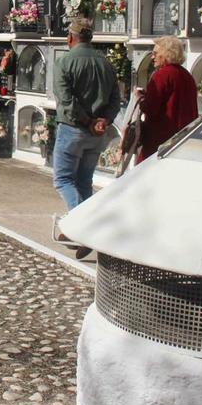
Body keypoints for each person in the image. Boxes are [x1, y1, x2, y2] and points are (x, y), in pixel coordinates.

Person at [53, 17, 120, 257]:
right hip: (97, 134)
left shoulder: (65, 62)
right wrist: (104, 120)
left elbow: (66, 100)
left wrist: (87, 121)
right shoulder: (106, 63)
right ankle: (77, 231)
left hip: (74, 129)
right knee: (84, 181)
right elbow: (115, 99)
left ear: (70, 38)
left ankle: (84, 229)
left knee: (63, 180)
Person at [135, 35, 198, 163]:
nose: (152, 57)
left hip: (161, 139)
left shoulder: (162, 75)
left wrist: (139, 99)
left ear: (166, 54)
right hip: (182, 138)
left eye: (155, 53)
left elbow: (151, 108)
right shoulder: (187, 75)